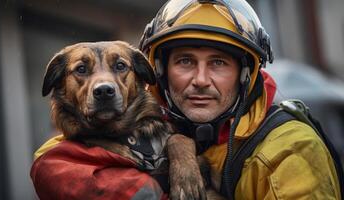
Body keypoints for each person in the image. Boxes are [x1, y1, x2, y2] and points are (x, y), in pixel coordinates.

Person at [31, 0, 342, 199]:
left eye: (218, 63)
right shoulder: (165, 120)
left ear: (244, 75)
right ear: (161, 73)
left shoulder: (290, 150)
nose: (201, 80)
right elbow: (60, 150)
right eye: (185, 62)